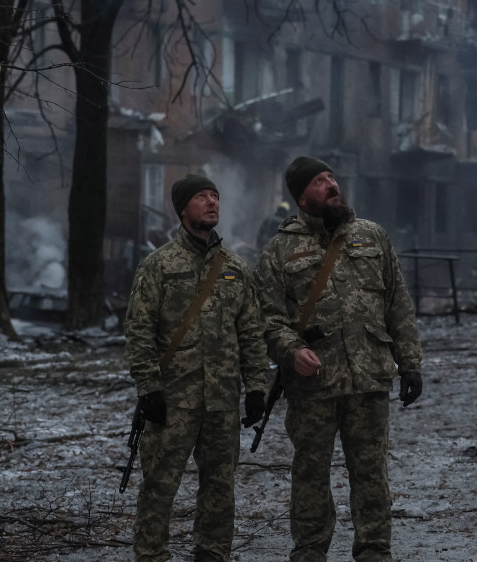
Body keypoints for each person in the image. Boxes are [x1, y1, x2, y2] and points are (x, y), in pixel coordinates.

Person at [255, 156, 422, 562]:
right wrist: (291, 352)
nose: (331, 184)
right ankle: (310, 551)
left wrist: (411, 362)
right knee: (310, 475)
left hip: (369, 379)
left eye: (331, 177)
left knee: (371, 473)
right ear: (301, 196)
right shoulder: (280, 250)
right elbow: (267, 318)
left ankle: (374, 551)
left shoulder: (372, 236)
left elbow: (398, 304)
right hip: (313, 386)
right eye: (318, 180)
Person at [123, 173, 270, 562]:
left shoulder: (235, 268)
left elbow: (251, 332)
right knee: (159, 485)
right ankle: (151, 554)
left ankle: (212, 552)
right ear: (183, 208)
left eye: (216, 196)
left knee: (220, 487)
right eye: (202, 197)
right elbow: (139, 330)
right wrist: (148, 387)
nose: (212, 203)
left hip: (221, 401)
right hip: (173, 400)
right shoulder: (159, 266)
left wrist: (256, 387)